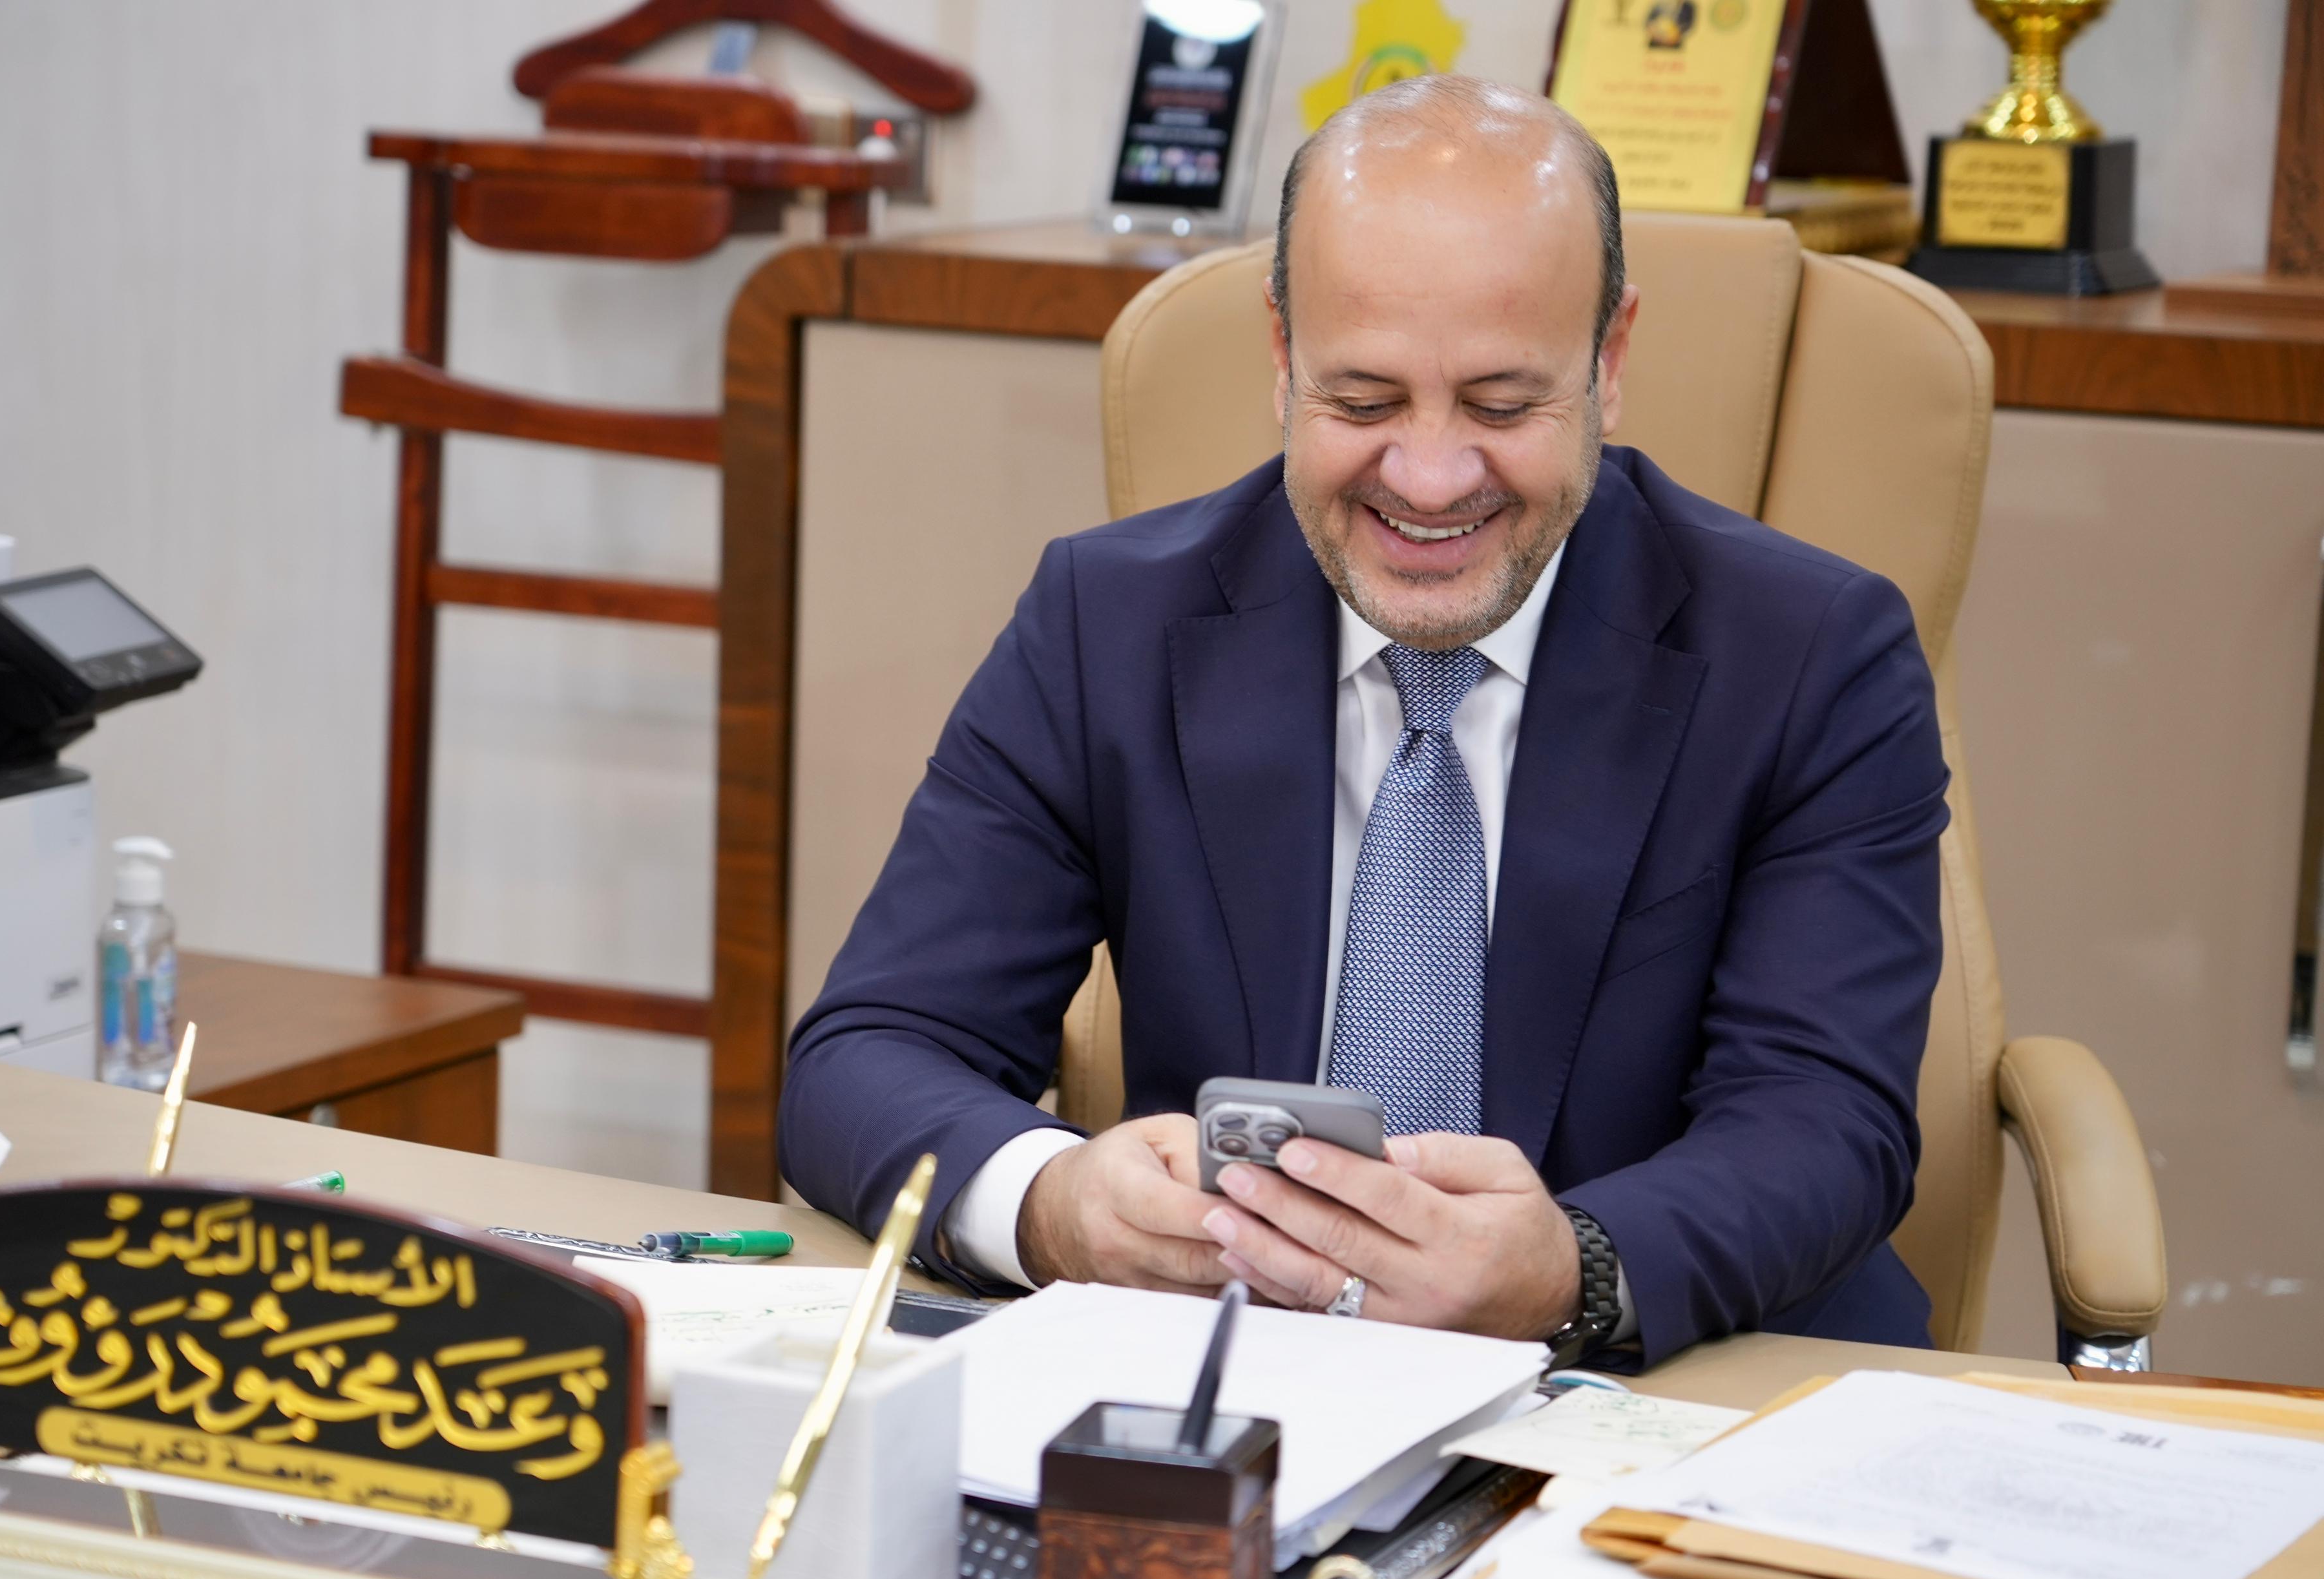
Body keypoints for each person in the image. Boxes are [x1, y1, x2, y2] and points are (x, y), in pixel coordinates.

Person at [779, 74, 1948, 1366]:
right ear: (1282, 358)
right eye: (1365, 401)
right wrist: (1052, 1205)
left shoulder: (1811, 655)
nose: (1430, 478)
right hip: (1241, 1387)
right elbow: (871, 1049)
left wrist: (1573, 1268)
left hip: (1667, 1394)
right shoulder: (1104, 624)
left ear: (1608, 363)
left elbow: (1822, 1120)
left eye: (1502, 403)